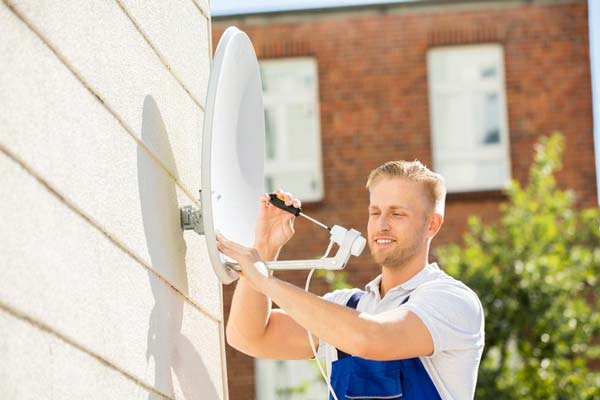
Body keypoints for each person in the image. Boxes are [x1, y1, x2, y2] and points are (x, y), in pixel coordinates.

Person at [217, 160, 485, 400]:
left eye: (397, 214)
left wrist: (267, 282)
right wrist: (265, 248)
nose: (382, 225)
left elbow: (372, 338)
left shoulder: (451, 300)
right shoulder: (347, 306)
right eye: (375, 212)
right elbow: (248, 337)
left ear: (432, 225)